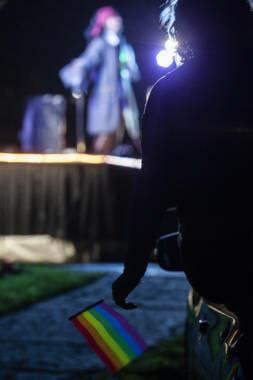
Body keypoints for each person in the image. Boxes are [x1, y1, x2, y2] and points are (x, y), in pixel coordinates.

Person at [112, 0, 251, 332]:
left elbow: (153, 187)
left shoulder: (171, 93)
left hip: (214, 258)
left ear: (184, 28)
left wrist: (134, 266)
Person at [59, 6, 141, 155]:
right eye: (112, 18)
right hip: (105, 100)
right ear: (104, 22)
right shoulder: (100, 44)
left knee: (118, 136)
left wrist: (128, 61)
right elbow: (87, 61)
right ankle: (97, 175)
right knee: (104, 138)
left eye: (117, 17)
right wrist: (75, 69)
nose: (117, 20)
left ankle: (109, 174)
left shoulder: (123, 46)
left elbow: (134, 73)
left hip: (123, 100)